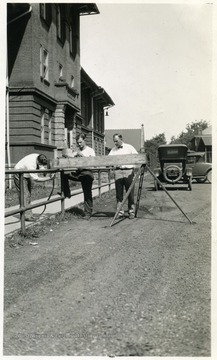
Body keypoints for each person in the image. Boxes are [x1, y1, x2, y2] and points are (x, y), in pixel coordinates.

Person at [61, 133, 95, 219]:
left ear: (84, 141)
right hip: (78, 172)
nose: (79, 144)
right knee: (64, 174)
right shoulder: (76, 151)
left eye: (80, 142)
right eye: (78, 143)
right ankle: (67, 192)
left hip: (87, 172)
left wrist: (83, 156)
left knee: (87, 192)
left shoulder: (90, 150)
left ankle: (88, 212)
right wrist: (68, 156)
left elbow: (93, 163)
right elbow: (70, 159)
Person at [14, 153, 55, 221]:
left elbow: (42, 168)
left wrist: (50, 172)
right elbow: (36, 179)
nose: (40, 166)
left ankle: (28, 215)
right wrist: (49, 178)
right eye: (40, 164)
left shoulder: (39, 156)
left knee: (28, 195)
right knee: (25, 195)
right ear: (38, 161)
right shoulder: (31, 164)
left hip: (26, 175)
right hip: (19, 175)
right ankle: (26, 216)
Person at [109, 133, 138, 219]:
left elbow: (137, 157)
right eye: (114, 141)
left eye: (116, 141)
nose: (115, 143)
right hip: (118, 172)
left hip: (128, 171)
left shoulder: (129, 147)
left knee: (130, 192)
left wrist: (134, 168)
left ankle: (131, 212)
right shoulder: (113, 150)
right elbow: (108, 159)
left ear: (121, 139)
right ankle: (120, 212)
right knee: (119, 193)